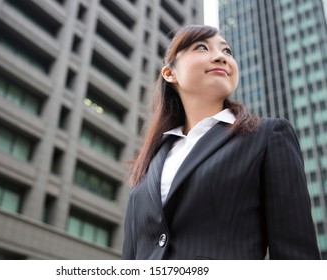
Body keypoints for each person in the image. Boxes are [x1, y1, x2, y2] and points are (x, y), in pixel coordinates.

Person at [122, 25, 320, 260]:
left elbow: (297, 256)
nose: (220, 57)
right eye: (202, 47)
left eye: (227, 51)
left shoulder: (267, 136)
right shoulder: (150, 161)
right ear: (170, 73)